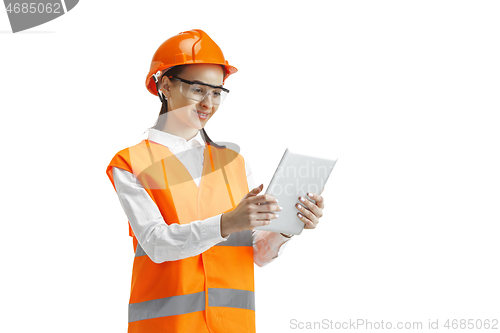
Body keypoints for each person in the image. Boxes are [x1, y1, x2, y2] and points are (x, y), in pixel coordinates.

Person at [105, 29, 326, 333]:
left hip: (233, 326)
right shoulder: (131, 163)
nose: (208, 103)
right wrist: (227, 222)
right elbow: (156, 243)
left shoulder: (233, 163)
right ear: (166, 86)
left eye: (217, 92)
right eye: (198, 89)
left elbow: (256, 254)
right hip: (168, 327)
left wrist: (290, 226)